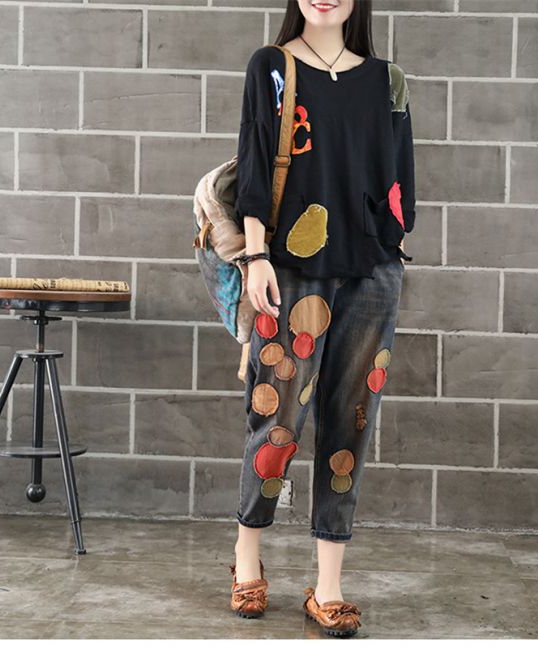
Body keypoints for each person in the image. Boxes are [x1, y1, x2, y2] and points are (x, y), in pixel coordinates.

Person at [228, 0, 415, 637]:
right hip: (289, 266)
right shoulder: (271, 67)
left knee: (350, 424)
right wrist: (256, 256)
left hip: (372, 270)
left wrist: (389, 246)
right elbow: (255, 159)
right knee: (277, 418)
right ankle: (247, 557)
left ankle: (328, 585)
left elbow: (400, 179)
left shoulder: (388, 81)